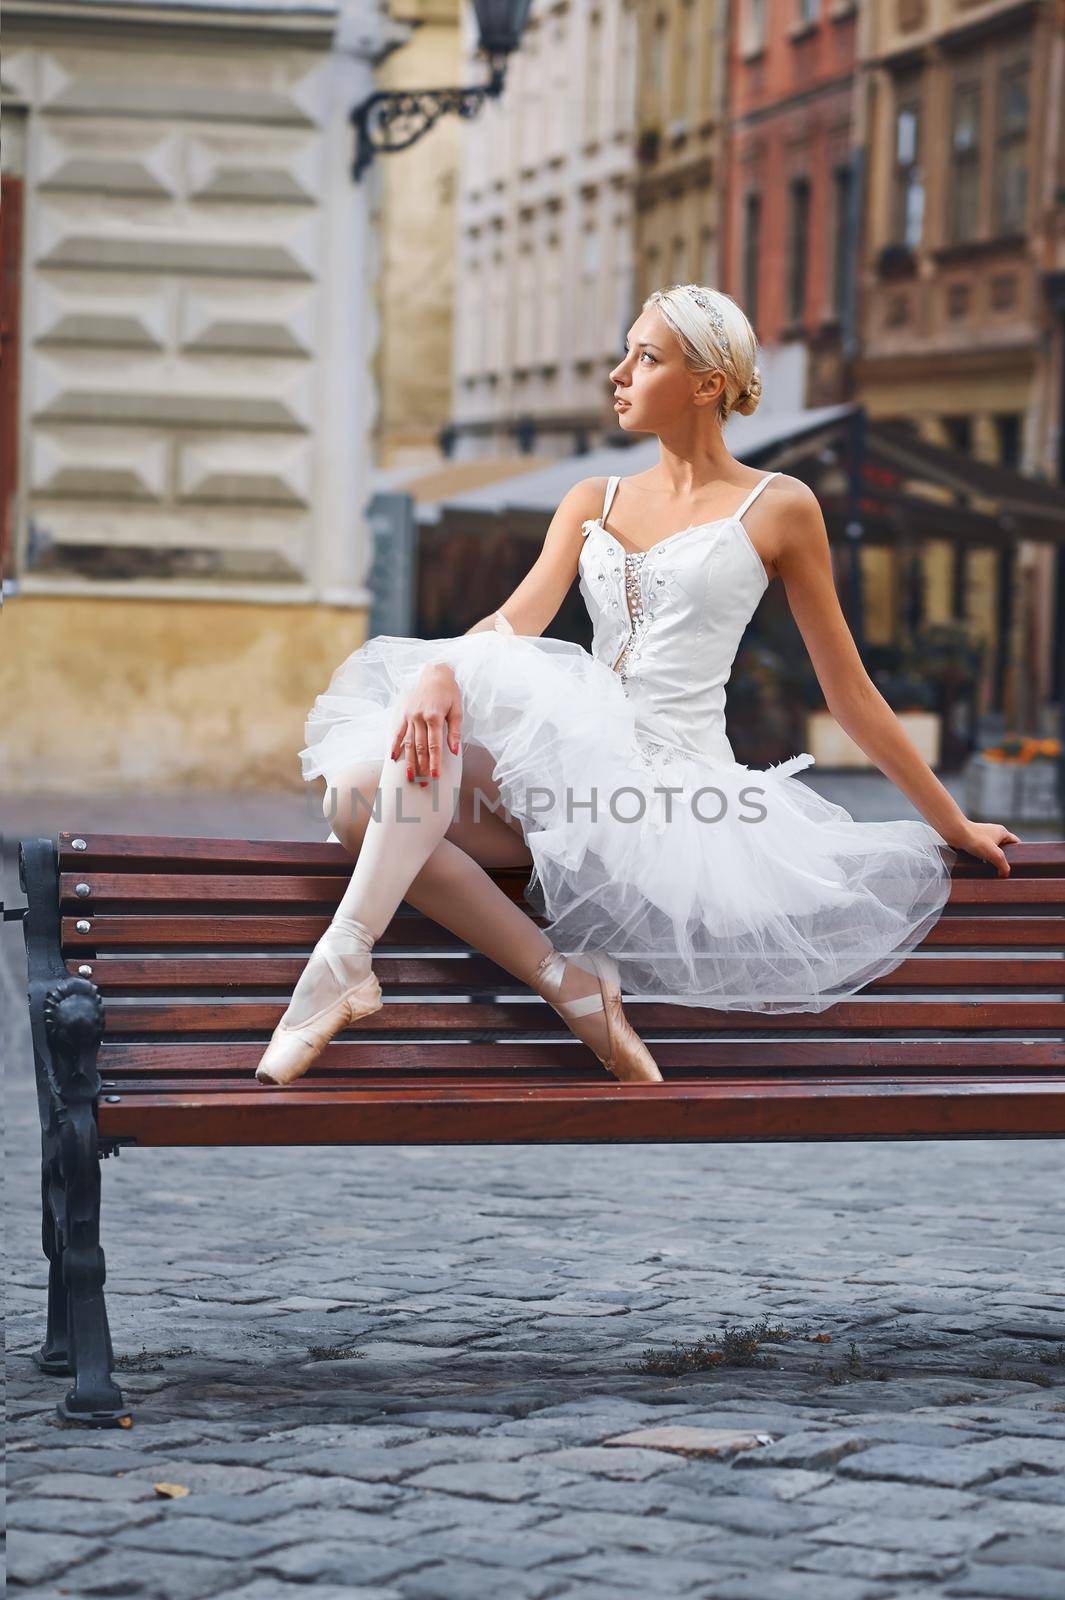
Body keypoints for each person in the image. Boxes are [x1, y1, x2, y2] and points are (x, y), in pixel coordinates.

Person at [254, 282, 1018, 1089]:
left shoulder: (779, 507)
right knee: (353, 797)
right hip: (569, 768)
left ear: (706, 384)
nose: (617, 373)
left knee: (381, 796)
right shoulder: (592, 498)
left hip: (665, 797)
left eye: (644, 357)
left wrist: (953, 821)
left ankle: (349, 965)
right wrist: (440, 671)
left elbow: (849, 693)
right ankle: (552, 980)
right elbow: (518, 618)